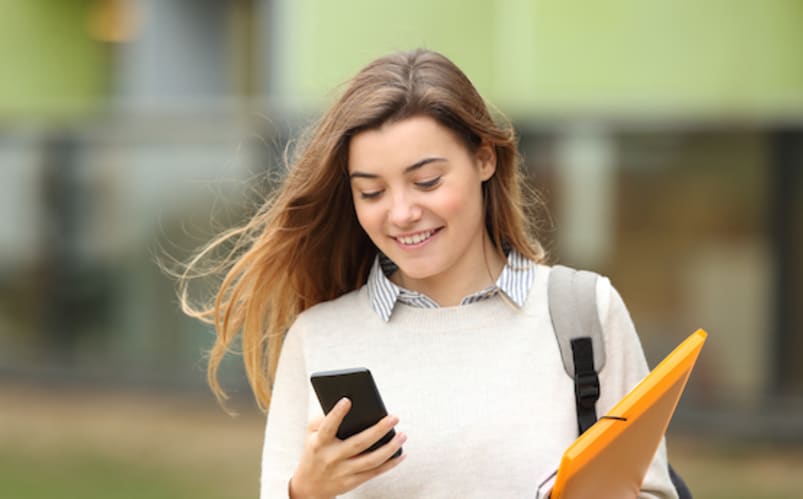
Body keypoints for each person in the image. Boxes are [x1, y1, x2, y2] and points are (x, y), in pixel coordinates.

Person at [180, 49, 677, 498]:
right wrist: (306, 492)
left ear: (484, 158)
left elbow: (651, 490)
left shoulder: (583, 313)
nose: (400, 213)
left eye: (426, 181)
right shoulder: (319, 337)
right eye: (371, 192)